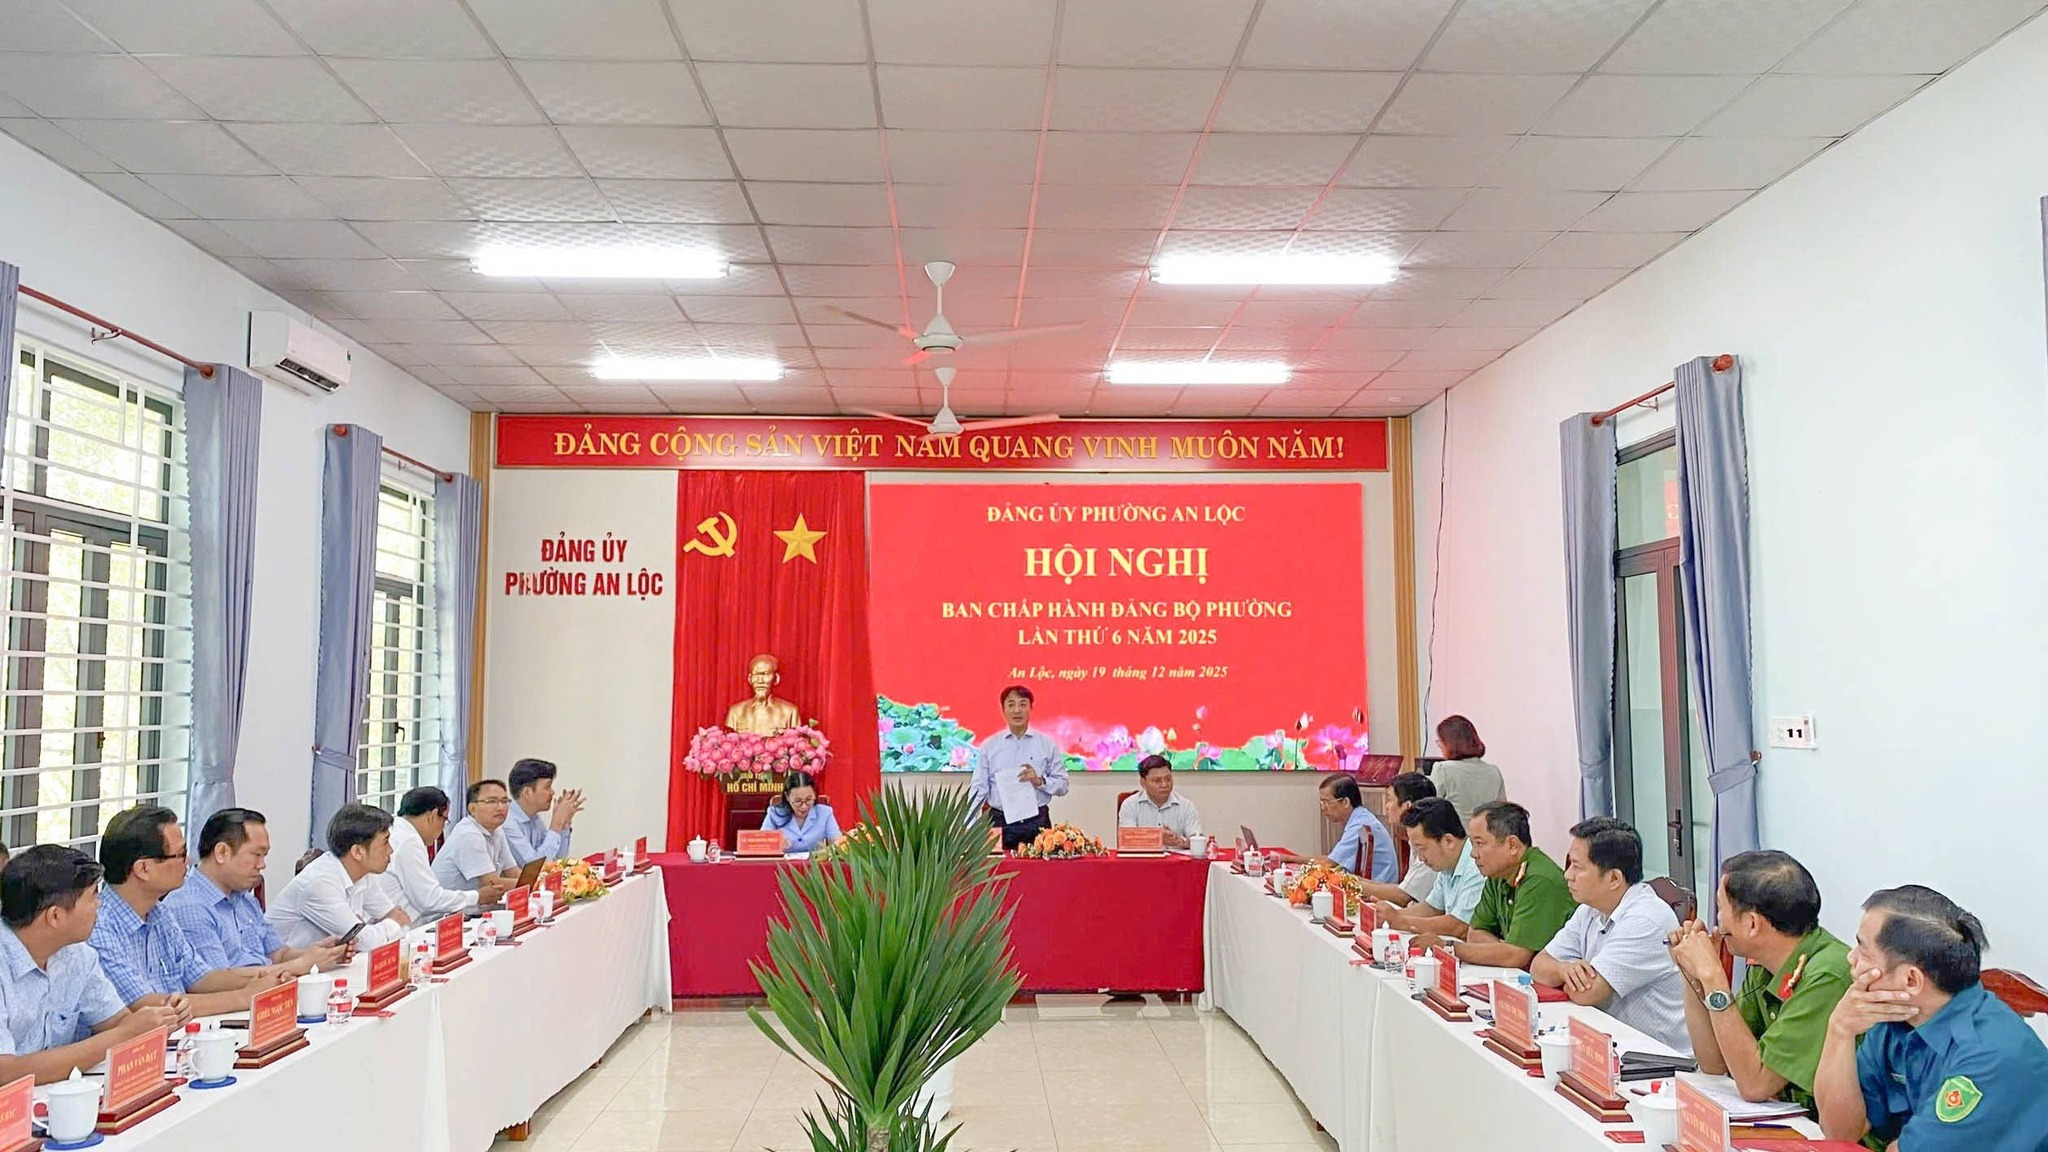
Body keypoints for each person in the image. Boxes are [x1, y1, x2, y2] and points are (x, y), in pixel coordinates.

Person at [1815, 885, 2048, 1148]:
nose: (1851, 958)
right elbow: (1841, 1131)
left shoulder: (1988, 1055)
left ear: (1911, 980)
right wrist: (1839, 1029)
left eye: (1863, 951)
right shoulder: (1895, 1017)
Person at [1668, 849, 1850, 1109]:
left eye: (1721, 907)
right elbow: (1715, 1063)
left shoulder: (1827, 975)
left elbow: (1756, 1084)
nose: (1717, 920)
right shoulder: (1763, 964)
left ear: (1752, 924)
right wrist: (1692, 973)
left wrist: (1713, 976)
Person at [0, 846, 185, 1085]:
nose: (99, 905)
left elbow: (117, 1022)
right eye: (93, 897)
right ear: (55, 916)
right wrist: (124, 1034)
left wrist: (160, 1017)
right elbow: (6, 1072)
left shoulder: (78, 956)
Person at [91, 805, 288, 1015]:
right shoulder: (99, 927)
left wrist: (267, 978)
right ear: (143, 869)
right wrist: (245, 997)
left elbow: (202, 978)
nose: (188, 861)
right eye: (181, 854)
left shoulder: (159, 914)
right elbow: (144, 1004)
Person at [1531, 818, 1691, 1054]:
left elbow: (1587, 993)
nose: (1567, 875)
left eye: (1577, 867)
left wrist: (1566, 975)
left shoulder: (1645, 919)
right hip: (1613, 1045)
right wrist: (1564, 970)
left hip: (1661, 1058)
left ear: (1614, 878)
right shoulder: (1589, 909)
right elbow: (1538, 966)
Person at [161, 807, 346, 976]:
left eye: (264, 856)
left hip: (269, 991)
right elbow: (218, 981)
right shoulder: (189, 905)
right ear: (222, 852)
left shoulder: (245, 899)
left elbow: (278, 954)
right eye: (257, 855)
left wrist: (319, 954)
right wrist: (299, 966)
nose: (262, 865)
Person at [1415, 800, 1572, 971]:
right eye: (1472, 844)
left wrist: (1448, 947)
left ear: (1512, 845)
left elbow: (1516, 956)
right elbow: (1474, 933)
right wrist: (1504, 951)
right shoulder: (1498, 873)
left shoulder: (1539, 879)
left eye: (1480, 844)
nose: (1473, 854)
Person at [266, 804, 410, 951]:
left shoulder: (362, 874)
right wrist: (391, 925)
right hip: (283, 963)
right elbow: (367, 942)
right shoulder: (319, 884)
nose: (391, 850)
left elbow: (398, 917)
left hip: (325, 961)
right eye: (385, 842)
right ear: (357, 852)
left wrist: (383, 927)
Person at [383, 786, 513, 919]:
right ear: (433, 816)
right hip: (406, 926)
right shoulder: (409, 841)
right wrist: (477, 896)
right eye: (445, 820)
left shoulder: (397, 831)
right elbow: (429, 900)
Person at [968, 685, 1069, 850]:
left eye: (1022, 704)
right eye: (1011, 705)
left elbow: (1063, 785)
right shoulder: (990, 746)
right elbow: (979, 787)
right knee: (997, 866)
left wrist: (1040, 781)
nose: (1017, 710)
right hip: (999, 822)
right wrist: (969, 824)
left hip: (1037, 823)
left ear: (1031, 709)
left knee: (1041, 868)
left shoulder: (1046, 744)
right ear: (1003, 710)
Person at [1375, 797, 1486, 934]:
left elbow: (1459, 925)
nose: (1421, 858)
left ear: (1448, 841)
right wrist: (1386, 915)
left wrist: (1400, 921)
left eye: (1422, 848)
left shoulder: (1477, 865)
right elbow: (1432, 908)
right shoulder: (1447, 863)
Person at [1270, 774, 1398, 883]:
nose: (1323, 808)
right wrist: (1290, 859)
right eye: (1321, 803)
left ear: (1345, 802)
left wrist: (1293, 865)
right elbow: (1332, 859)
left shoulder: (1359, 825)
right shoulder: (1359, 818)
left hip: (1378, 893)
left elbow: (1329, 864)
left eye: (1326, 802)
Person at [1352, 773, 1440, 907]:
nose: (1386, 806)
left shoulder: (1430, 841)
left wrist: (1350, 883)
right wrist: (1355, 881)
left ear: (1407, 806)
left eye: (1389, 799)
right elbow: (1405, 888)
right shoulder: (1414, 837)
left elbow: (1403, 896)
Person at [433, 779, 523, 892]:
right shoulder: (468, 834)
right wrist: (532, 883)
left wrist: (536, 881)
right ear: (472, 808)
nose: (501, 807)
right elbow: (492, 883)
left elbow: (512, 872)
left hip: (478, 902)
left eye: (504, 801)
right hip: (450, 902)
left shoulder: (497, 830)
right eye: (491, 801)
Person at [504, 757, 583, 866]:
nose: (552, 792)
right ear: (527, 793)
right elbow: (533, 866)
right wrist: (556, 824)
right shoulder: (507, 822)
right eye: (547, 787)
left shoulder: (534, 817)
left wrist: (564, 824)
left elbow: (557, 860)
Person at [1429, 715, 1505, 823]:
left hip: (1454, 833)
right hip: (1485, 833)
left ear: (1449, 743)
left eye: (1440, 741)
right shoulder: (1494, 771)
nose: (1439, 745)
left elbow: (1428, 811)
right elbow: (1503, 813)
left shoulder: (1443, 769)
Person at [1117, 755, 1202, 849]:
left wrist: (1181, 842)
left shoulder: (1186, 806)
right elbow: (1127, 840)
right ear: (1143, 783)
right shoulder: (1130, 805)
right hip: (1143, 858)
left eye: (1168, 779)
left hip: (1176, 857)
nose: (1164, 785)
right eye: (1157, 780)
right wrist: (1157, 838)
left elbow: (1196, 838)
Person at [761, 771, 843, 854]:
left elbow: (837, 844)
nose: (804, 806)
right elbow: (761, 843)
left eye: (808, 800)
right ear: (787, 797)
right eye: (798, 801)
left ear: (815, 794)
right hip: (783, 861)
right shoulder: (774, 813)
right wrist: (775, 841)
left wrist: (831, 848)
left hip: (816, 861)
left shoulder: (825, 813)